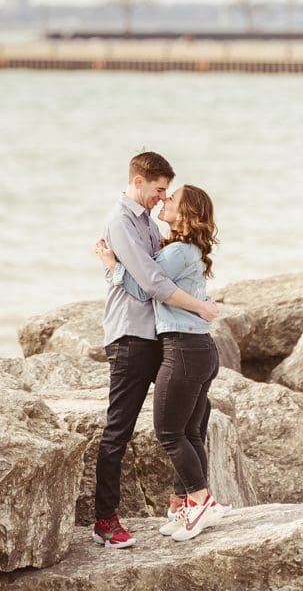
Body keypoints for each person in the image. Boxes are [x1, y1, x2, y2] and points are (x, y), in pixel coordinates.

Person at [92, 152, 220, 549]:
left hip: (163, 339)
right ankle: (106, 520)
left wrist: (115, 268)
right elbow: (150, 281)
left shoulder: (149, 223)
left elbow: (159, 274)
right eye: (158, 189)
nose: (162, 198)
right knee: (120, 429)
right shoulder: (120, 221)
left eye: (168, 192)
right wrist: (200, 306)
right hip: (131, 337)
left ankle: (185, 502)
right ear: (139, 182)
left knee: (191, 423)